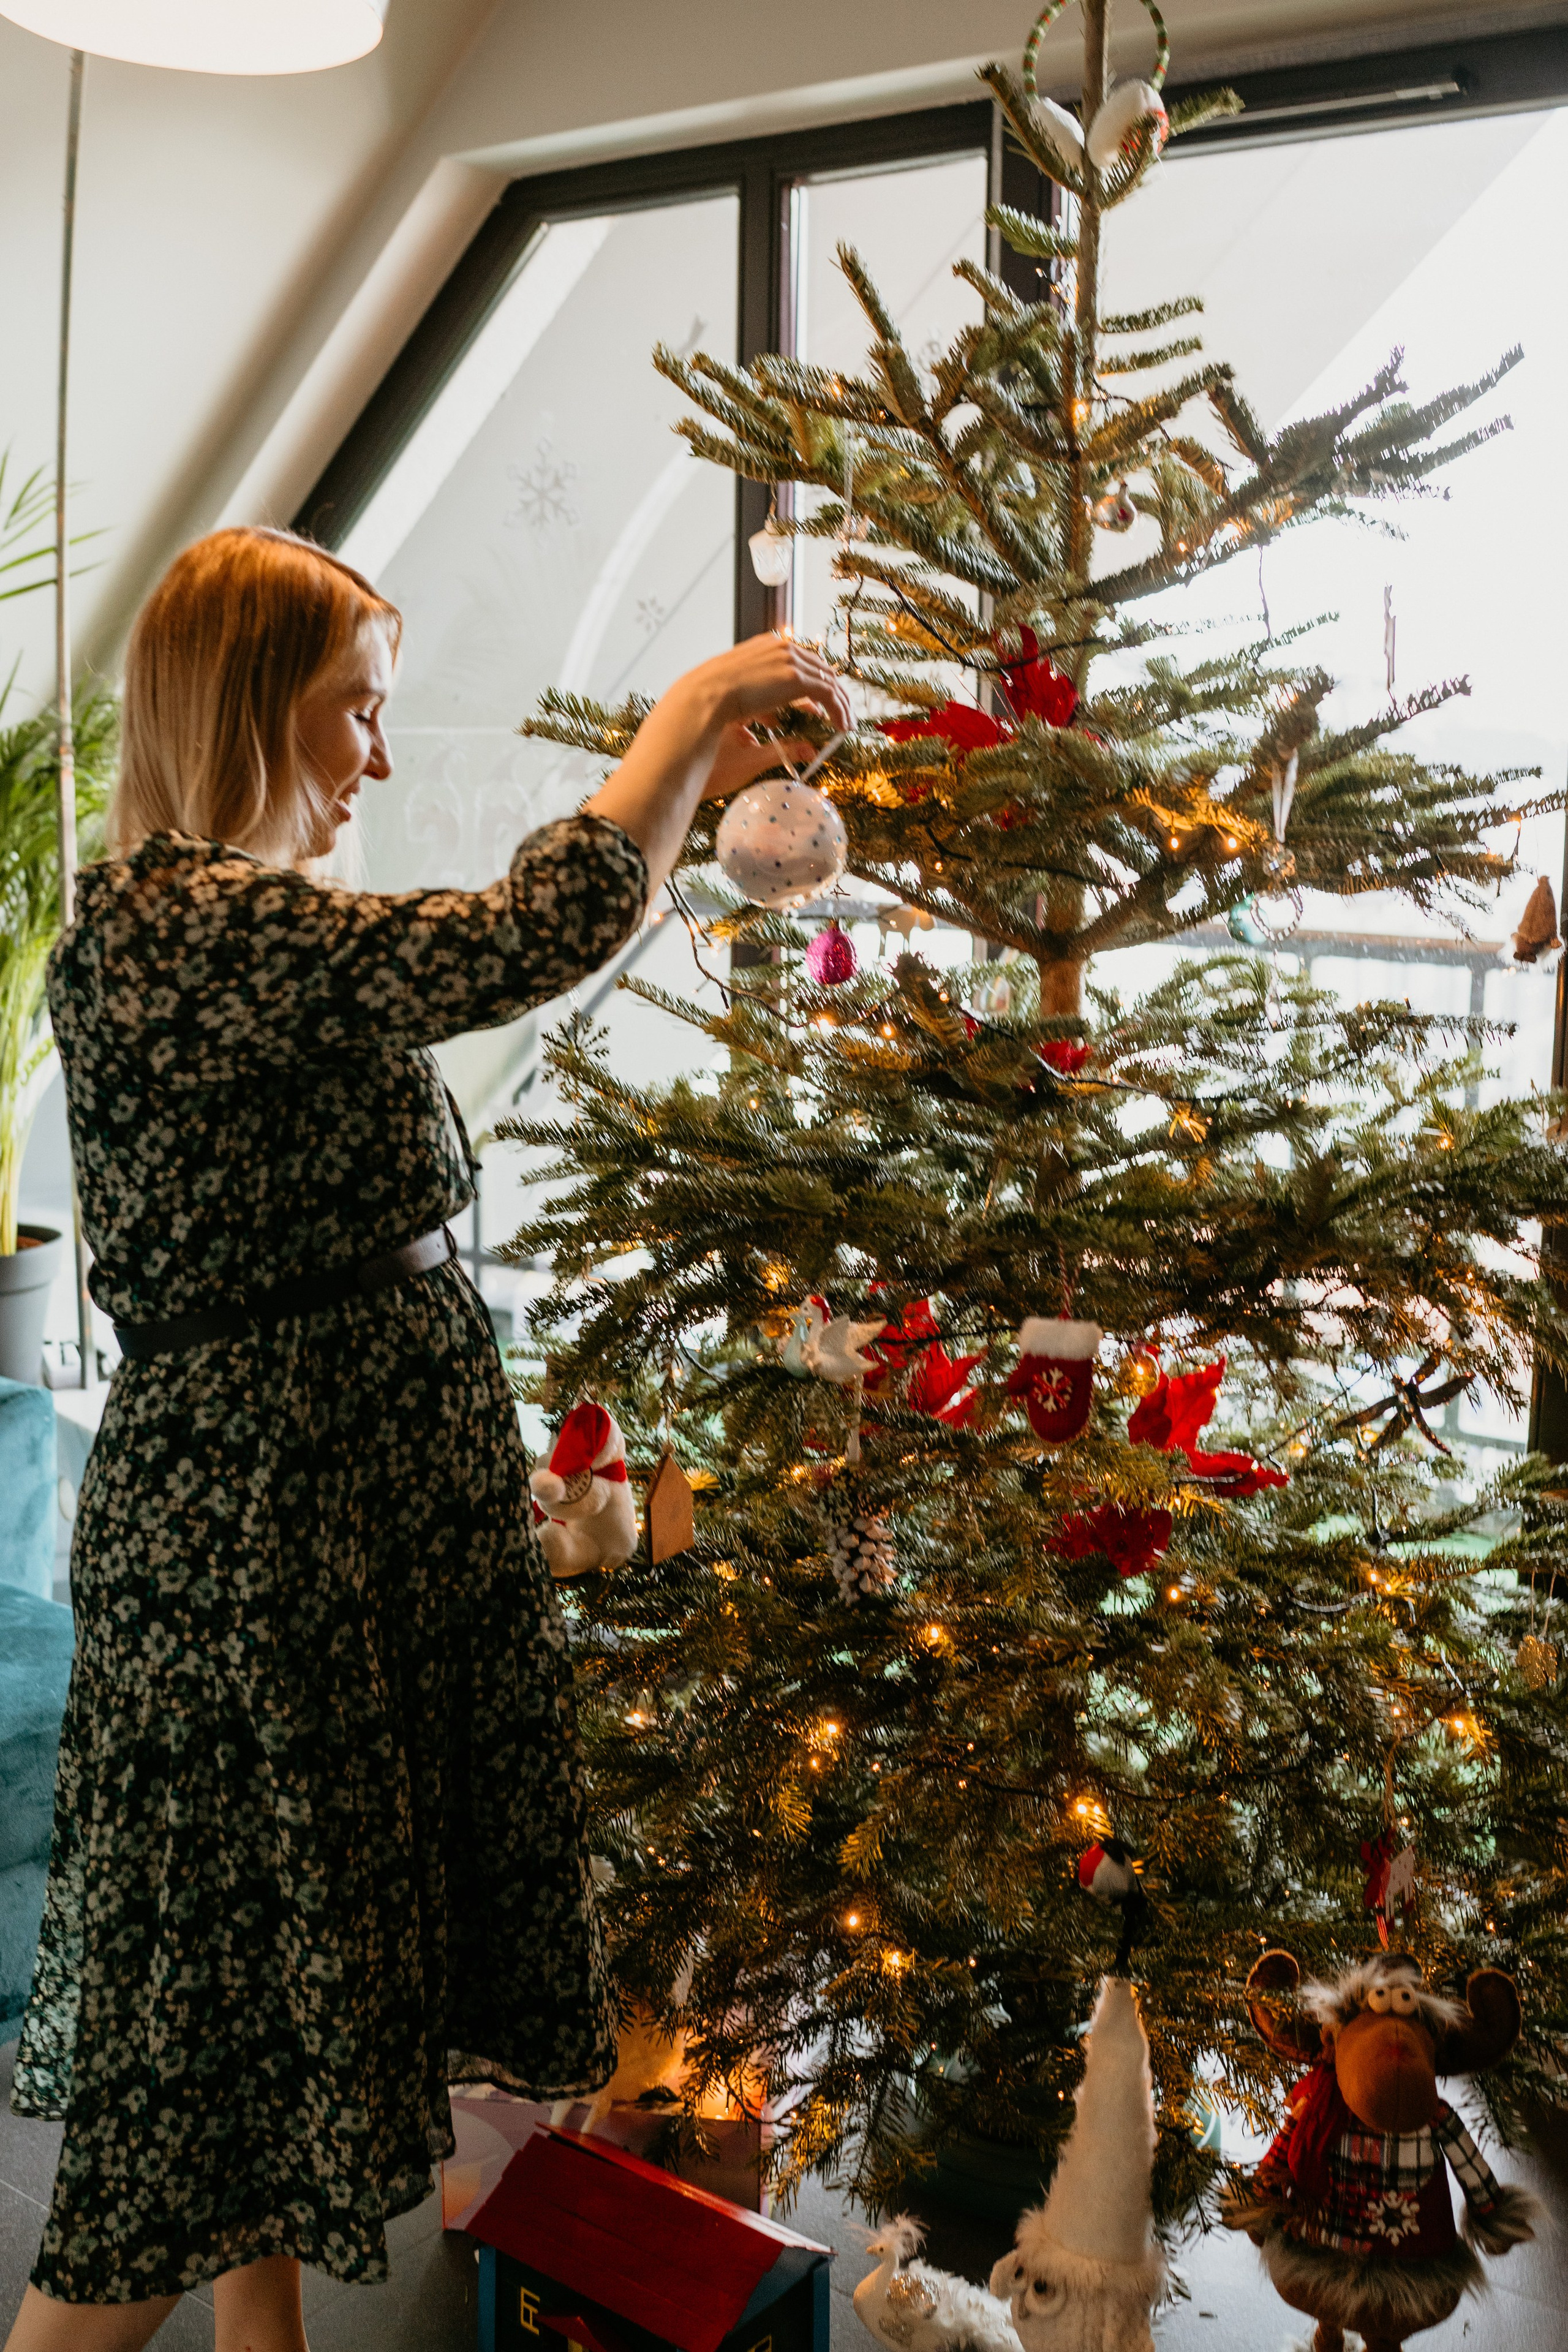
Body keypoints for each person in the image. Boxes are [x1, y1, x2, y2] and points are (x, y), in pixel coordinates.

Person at [5, 525, 849, 2352]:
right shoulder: (182, 920)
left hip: (318, 1516)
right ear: (248, 709)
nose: (376, 759)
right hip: (262, 1541)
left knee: (258, 2019)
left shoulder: (245, 929)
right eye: (353, 716)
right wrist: (697, 708)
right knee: (196, 2082)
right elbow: (527, 938)